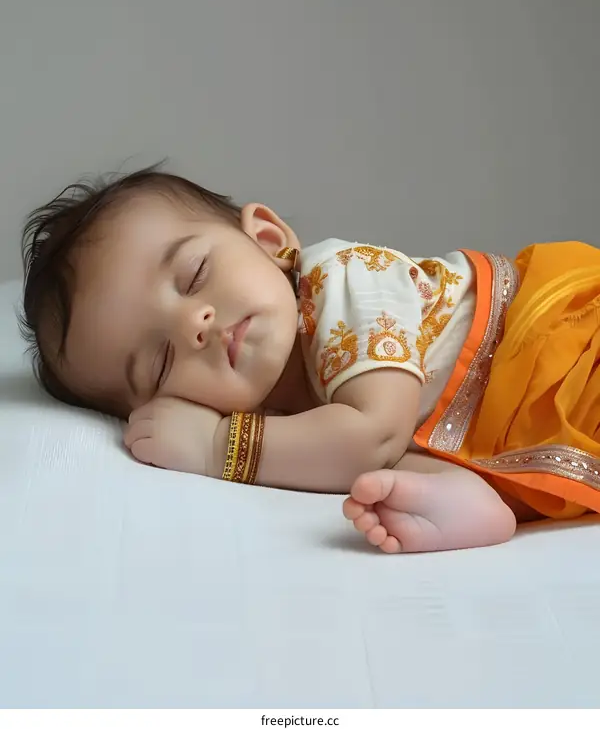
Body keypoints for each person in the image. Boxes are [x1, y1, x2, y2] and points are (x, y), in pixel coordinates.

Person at [20, 166, 600, 553]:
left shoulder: (342, 280)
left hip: (564, 344)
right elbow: (369, 454)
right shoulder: (290, 427)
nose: (194, 324)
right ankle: (478, 500)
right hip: (510, 424)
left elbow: (373, 434)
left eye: (195, 274)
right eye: (160, 361)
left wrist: (214, 445)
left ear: (270, 242)